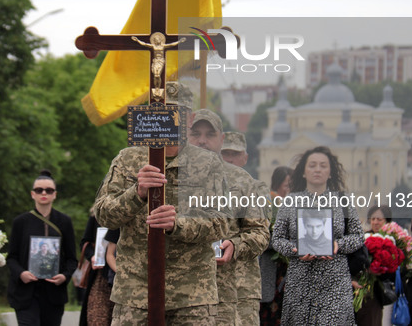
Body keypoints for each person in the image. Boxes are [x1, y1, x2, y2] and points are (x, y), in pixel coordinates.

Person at [94, 82, 230, 325]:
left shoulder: (208, 163)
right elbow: (103, 215)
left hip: (192, 294)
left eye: (178, 112)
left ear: (191, 119)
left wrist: (177, 224)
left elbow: (221, 223)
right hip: (135, 291)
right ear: (150, 115)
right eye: (163, 111)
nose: (170, 119)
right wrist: (137, 193)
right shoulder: (128, 159)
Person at [189, 113, 270, 325]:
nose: (202, 140)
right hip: (184, 291)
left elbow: (260, 232)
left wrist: (235, 245)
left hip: (233, 289)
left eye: (210, 134)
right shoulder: (172, 176)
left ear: (220, 139)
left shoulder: (241, 180)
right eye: (195, 134)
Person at [272, 146, 364, 325]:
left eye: (323, 166)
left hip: (335, 282)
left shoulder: (343, 201)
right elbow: (276, 239)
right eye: (312, 165)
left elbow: (358, 236)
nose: (317, 169)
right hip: (300, 281)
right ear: (304, 172)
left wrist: (338, 245)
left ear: (330, 172)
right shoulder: (290, 202)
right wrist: (295, 249)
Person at [7, 170, 78, 326]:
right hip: (26, 293)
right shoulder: (20, 222)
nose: (44, 193)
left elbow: (72, 259)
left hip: (53, 294)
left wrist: (64, 276)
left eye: (49, 190)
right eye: (39, 190)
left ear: (55, 194)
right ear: (33, 194)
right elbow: (11, 257)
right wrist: (21, 273)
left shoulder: (64, 221)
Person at [259, 166, 292, 326]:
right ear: (278, 184)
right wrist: (282, 241)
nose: (290, 189)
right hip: (272, 270)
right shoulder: (268, 203)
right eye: (287, 185)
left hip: (289, 272)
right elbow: (260, 237)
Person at [355, 205, 394, 326]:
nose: (375, 222)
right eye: (373, 219)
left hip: (376, 292)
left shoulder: (391, 241)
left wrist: (379, 270)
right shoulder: (363, 238)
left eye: (379, 219)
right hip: (358, 288)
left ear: (387, 221)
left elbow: (392, 270)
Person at [79, 214, 120, 326]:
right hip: (101, 276)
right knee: (96, 318)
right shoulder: (96, 217)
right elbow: (85, 243)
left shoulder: (132, 214)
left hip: (125, 280)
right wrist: (92, 256)